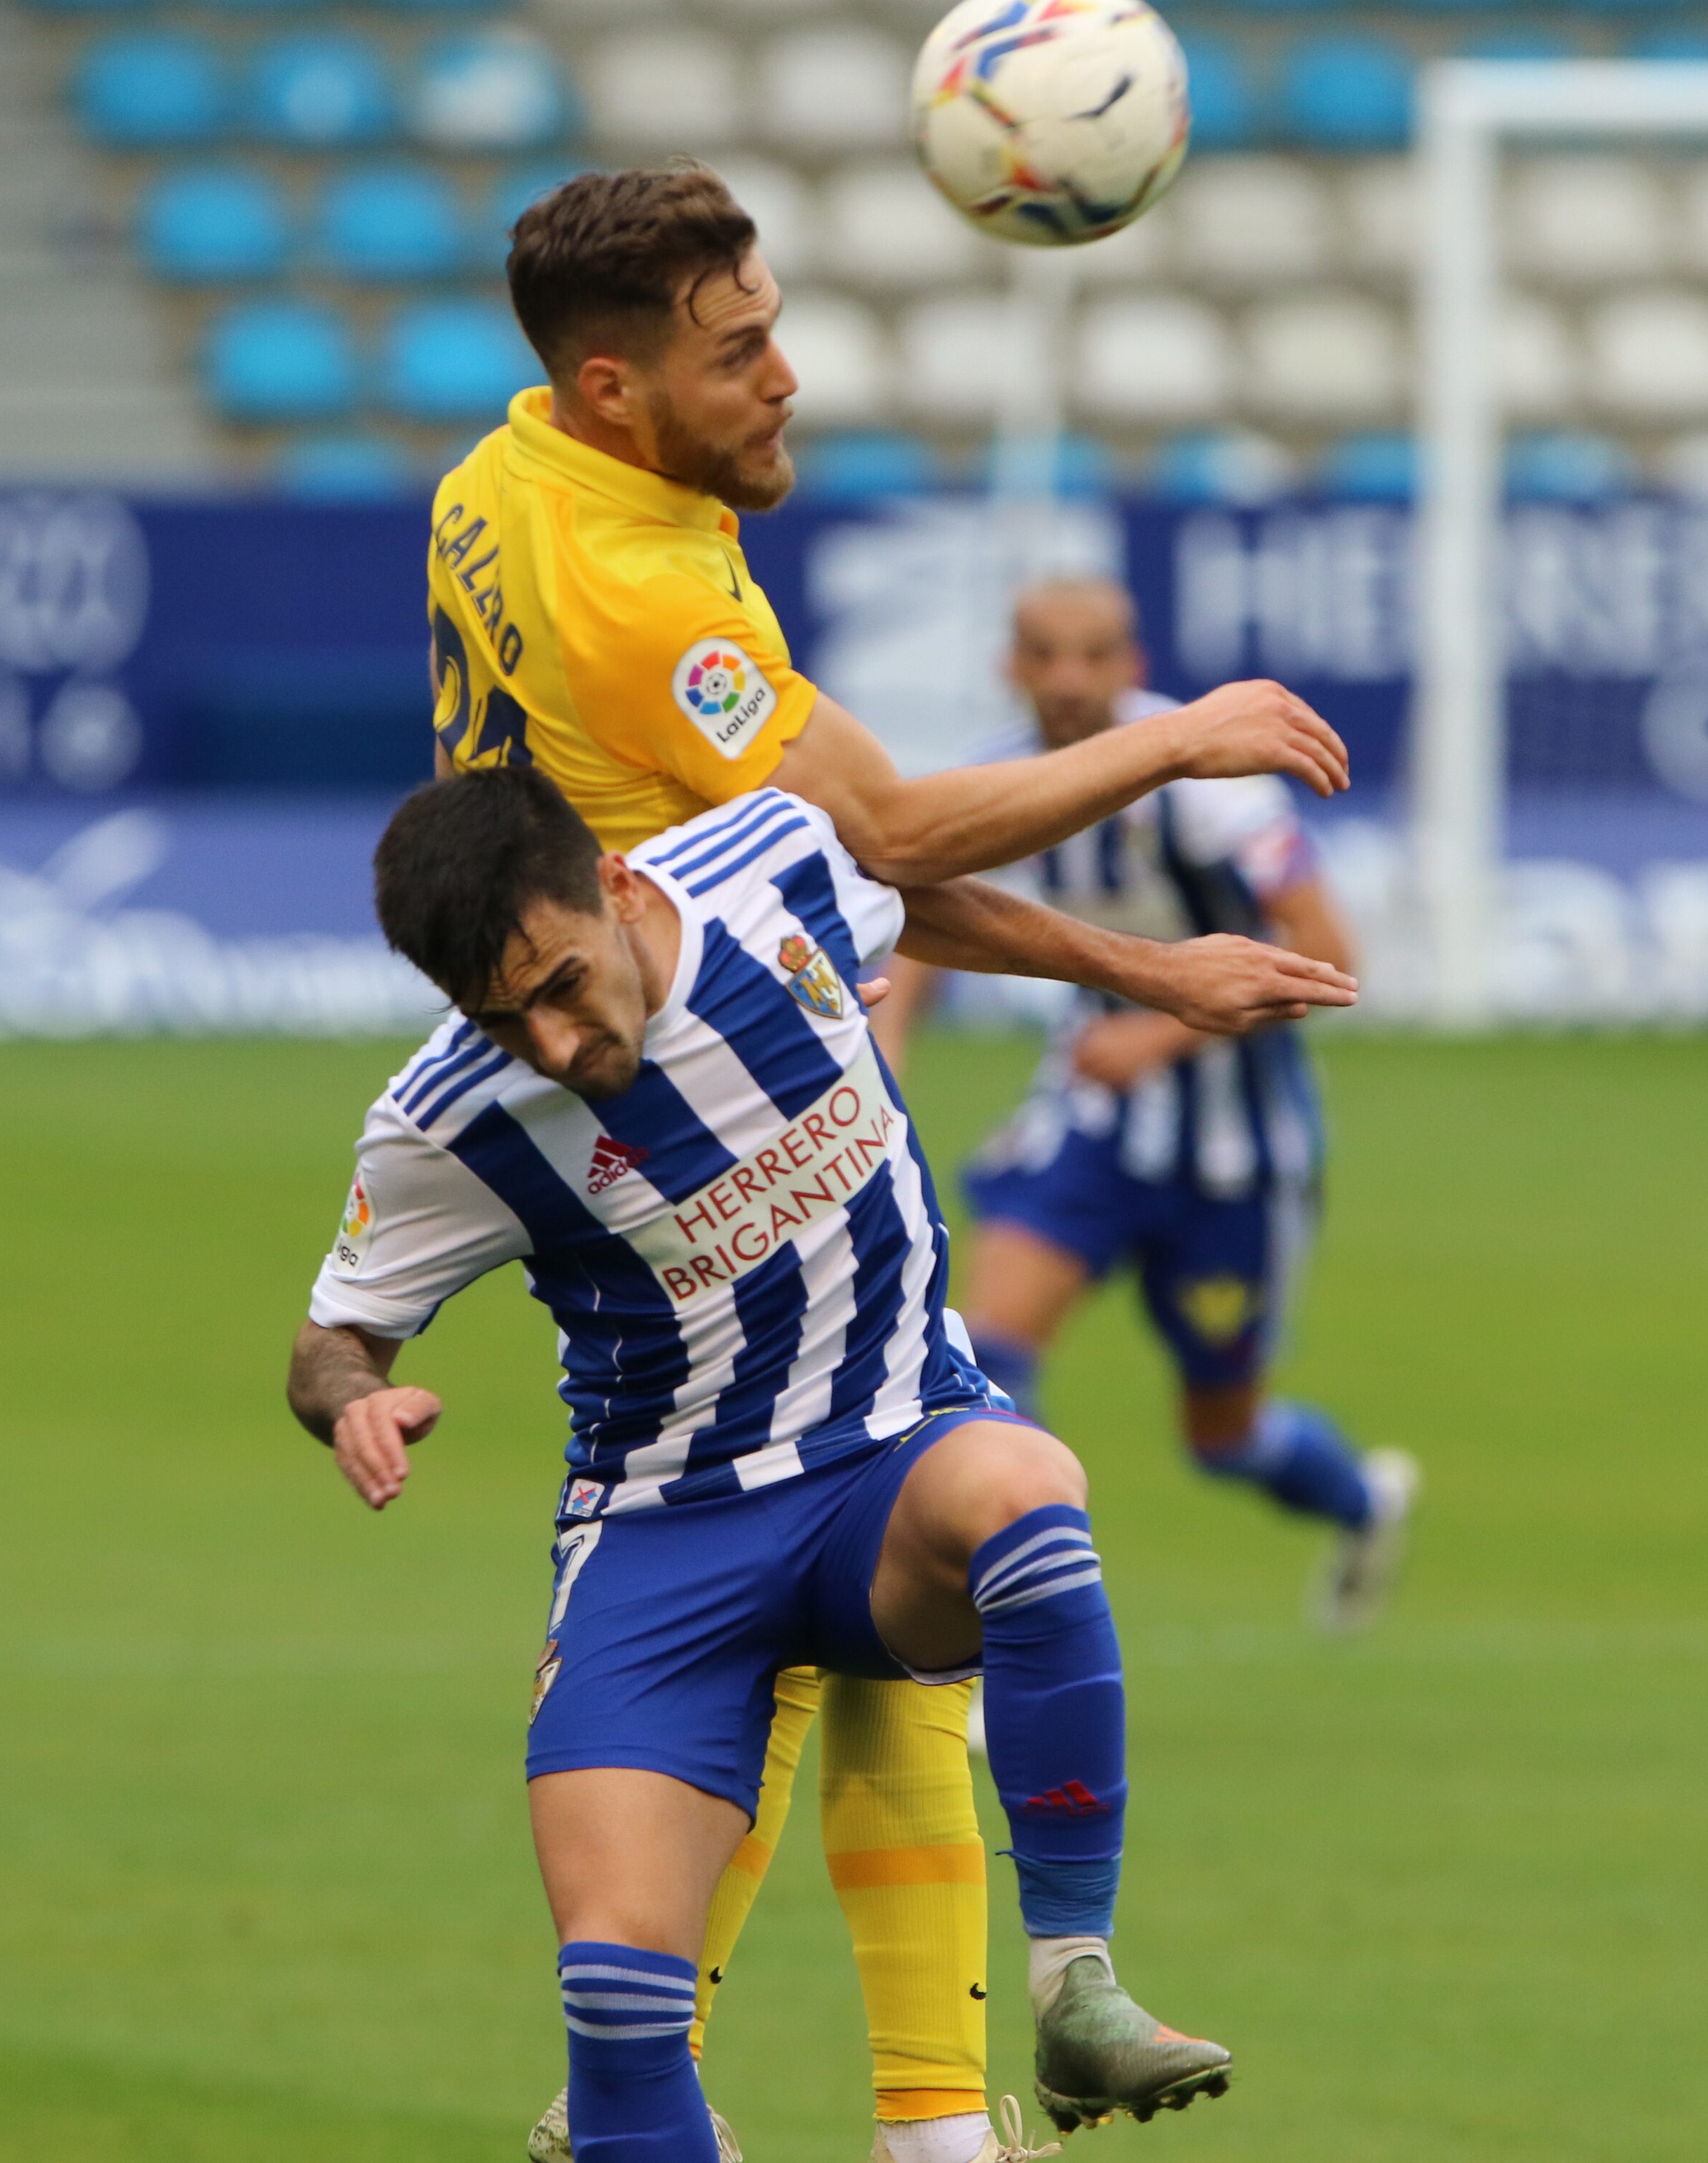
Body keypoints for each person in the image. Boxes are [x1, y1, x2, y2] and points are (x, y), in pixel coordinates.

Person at [423, 160, 1355, 2162]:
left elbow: (837, 871)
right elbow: (904, 841)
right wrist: (1159, 742)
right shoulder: (647, 594)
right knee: (863, 1535)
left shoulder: (505, 480)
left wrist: (1134, 967)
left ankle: (755, 2099)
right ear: (610, 384)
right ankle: (869, 2104)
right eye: (735, 349)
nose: (782, 376)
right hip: (702, 1105)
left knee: (865, 1564)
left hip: (608, 1081)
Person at [287, 769, 1358, 2157]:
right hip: (665, 1532)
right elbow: (332, 1336)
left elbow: (918, 898)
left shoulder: (772, 866)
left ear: (615, 885)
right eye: (503, 1016)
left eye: (560, 983)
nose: (551, 1041)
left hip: (887, 1462)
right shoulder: (452, 1119)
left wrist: (1146, 971)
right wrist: (352, 1402)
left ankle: (1071, 1987)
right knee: (614, 2003)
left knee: (1030, 1495)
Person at [877, 580, 1418, 1631]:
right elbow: (915, 918)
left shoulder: (1214, 789)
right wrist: (882, 1066)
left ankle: (1362, 1500)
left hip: (1236, 1158)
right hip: (1087, 1127)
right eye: (1045, 654)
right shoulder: (1001, 778)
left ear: (1131, 667)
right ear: (1012, 667)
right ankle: (1019, 1623)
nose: (1069, 679)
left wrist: (1159, 1025)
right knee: (987, 1351)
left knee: (1224, 1436)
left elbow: (1329, 953)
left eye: (1093, 656)